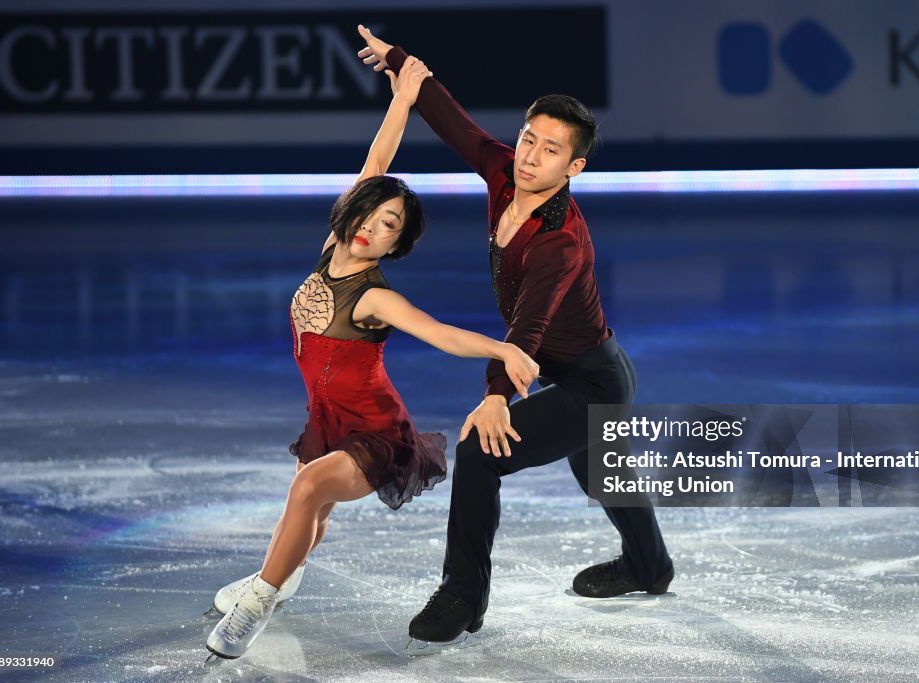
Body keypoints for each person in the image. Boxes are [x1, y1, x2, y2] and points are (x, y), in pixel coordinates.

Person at [205, 55, 539, 660]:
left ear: (398, 242)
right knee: (314, 510)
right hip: (327, 418)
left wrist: (502, 346)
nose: (370, 227)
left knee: (309, 487)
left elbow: (438, 332)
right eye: (369, 213)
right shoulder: (332, 244)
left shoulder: (376, 296)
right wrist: (403, 99)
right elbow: (377, 165)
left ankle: (258, 600)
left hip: (376, 434)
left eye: (389, 225)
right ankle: (283, 576)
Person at [356, 25, 675, 650]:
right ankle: (650, 565)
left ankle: (462, 594)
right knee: (598, 470)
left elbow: (526, 330)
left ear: (573, 167)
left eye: (550, 150)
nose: (530, 156)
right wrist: (404, 66)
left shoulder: (561, 241)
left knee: (481, 451)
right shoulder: (504, 172)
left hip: (593, 379)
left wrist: (497, 395)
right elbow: (459, 127)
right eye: (529, 139)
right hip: (578, 368)